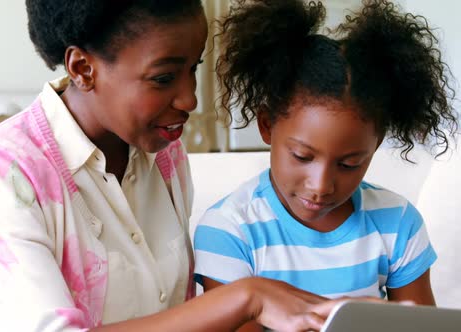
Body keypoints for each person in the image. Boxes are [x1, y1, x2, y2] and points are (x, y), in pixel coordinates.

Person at [0, 1, 354, 331]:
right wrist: (246, 296)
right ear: (82, 69)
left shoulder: (165, 152)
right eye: (164, 77)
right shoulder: (5, 169)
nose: (189, 99)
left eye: (193, 69)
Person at [193, 0, 457, 331]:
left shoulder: (397, 222)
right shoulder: (230, 229)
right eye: (302, 157)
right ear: (266, 125)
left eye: (349, 164)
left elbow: (422, 327)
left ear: (376, 145)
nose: (321, 186)